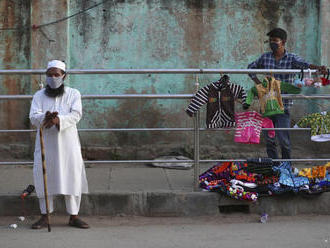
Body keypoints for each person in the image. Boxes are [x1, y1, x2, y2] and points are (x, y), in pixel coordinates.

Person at [247, 28, 327, 159]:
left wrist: (318, 68)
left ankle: (286, 167)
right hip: (267, 105)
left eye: (275, 41)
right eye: (270, 41)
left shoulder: (291, 58)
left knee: (284, 141)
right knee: (270, 140)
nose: (272, 43)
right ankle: (274, 167)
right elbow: (251, 68)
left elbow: (305, 64)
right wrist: (258, 84)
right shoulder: (265, 57)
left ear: (283, 42)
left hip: (284, 106)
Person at [29, 60, 89, 229]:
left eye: (56, 74)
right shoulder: (38, 95)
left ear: (64, 76)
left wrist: (58, 120)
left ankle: (74, 216)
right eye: (50, 75)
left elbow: (76, 114)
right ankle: (45, 215)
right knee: (44, 175)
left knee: (71, 176)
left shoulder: (73, 94)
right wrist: (46, 118)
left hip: (68, 143)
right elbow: (33, 116)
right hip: (46, 143)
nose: (53, 78)